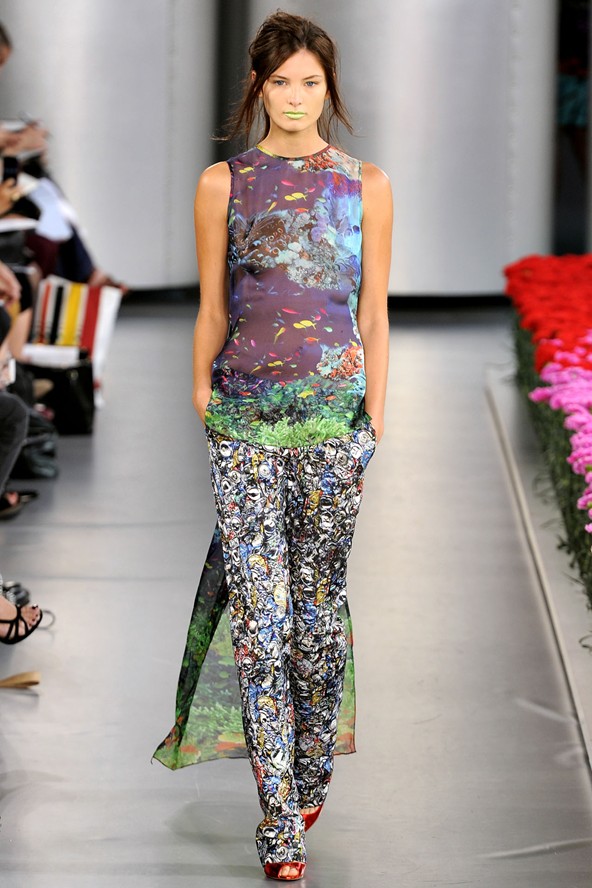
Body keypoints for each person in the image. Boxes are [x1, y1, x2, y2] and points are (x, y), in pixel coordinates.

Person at [154, 11, 392, 882]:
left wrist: (373, 422)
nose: (295, 98)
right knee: (261, 619)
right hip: (244, 423)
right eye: (280, 82)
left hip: (334, 425)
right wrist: (202, 401)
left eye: (310, 83)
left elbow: (373, 313)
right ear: (256, 87)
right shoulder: (223, 183)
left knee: (316, 620)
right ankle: (279, 816)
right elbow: (214, 306)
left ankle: (312, 767)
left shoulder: (366, 185)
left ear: (330, 89)